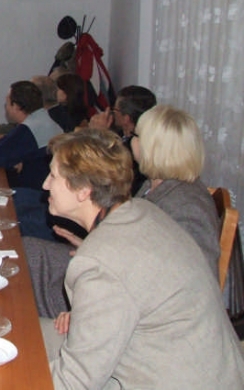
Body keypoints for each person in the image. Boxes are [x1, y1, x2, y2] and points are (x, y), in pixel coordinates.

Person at [39, 128, 244, 389]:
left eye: (53, 176)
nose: (45, 184)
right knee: (19, 335)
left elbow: (74, 382)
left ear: (83, 191)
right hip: (202, 368)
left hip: (170, 379)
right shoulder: (140, 211)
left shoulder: (99, 262)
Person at [26, 104, 219, 318]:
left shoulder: (189, 205)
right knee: (28, 250)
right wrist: (89, 244)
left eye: (136, 135)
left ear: (153, 147)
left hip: (129, 298)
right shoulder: (153, 185)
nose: (131, 140)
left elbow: (193, 281)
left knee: (27, 281)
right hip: (117, 270)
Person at [89, 84, 156, 197]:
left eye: (115, 110)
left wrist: (97, 136)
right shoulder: (120, 135)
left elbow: (98, 174)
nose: (111, 113)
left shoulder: (134, 149)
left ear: (126, 118)